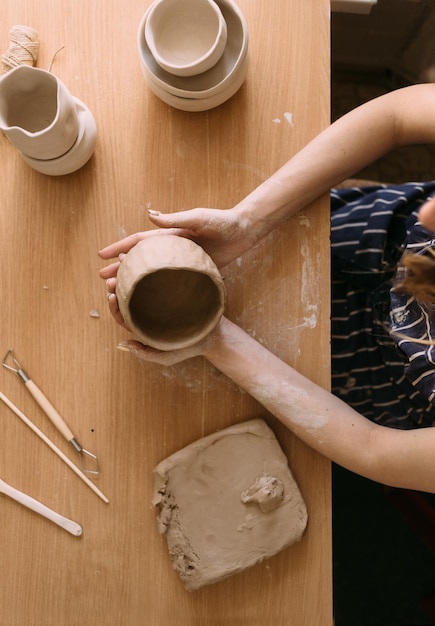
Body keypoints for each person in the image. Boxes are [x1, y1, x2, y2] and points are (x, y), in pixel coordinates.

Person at [99, 83, 435, 494]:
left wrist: (217, 341)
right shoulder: (424, 218)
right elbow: (396, 117)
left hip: (372, 370)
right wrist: (248, 222)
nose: (429, 212)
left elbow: (373, 448)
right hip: (364, 233)